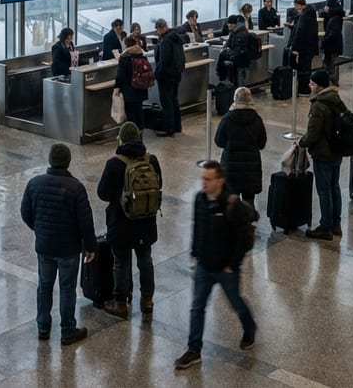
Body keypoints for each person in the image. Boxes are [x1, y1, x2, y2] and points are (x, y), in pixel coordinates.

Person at [174, 160, 257, 370]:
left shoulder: (232, 204)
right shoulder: (200, 199)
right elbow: (198, 226)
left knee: (235, 303)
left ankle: (250, 328)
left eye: (208, 179)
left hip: (225, 269)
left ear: (220, 180)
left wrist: (232, 263)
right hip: (204, 265)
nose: (204, 183)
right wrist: (194, 252)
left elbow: (245, 238)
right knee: (197, 307)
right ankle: (194, 350)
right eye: (202, 178)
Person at [20, 144, 97, 345]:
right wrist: (90, 247)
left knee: (44, 286)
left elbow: (25, 213)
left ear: (50, 160)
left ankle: (43, 326)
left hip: (44, 246)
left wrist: (40, 229)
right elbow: (85, 222)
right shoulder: (76, 188)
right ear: (68, 162)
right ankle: (67, 331)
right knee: (67, 288)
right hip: (68, 249)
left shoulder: (34, 183)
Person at [96, 122, 162, 319]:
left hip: (121, 222)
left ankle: (121, 303)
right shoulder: (152, 160)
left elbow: (102, 193)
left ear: (121, 139)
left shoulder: (114, 163)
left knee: (121, 262)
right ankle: (147, 300)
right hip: (146, 222)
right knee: (145, 260)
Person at [300, 69, 345, 240]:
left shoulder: (319, 105)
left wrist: (302, 143)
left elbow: (313, 133)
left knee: (324, 190)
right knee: (335, 187)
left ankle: (325, 226)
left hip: (323, 153)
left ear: (319, 86)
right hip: (336, 150)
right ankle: (336, 224)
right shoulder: (336, 99)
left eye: (312, 83)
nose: (309, 85)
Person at [214, 87, 267, 209]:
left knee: (231, 201)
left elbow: (219, 141)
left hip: (231, 166)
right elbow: (262, 143)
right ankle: (249, 224)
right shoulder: (256, 119)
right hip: (251, 167)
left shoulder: (227, 119)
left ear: (234, 99)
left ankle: (233, 225)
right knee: (249, 200)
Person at [153, 19, 186, 137]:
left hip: (166, 76)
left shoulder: (165, 41)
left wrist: (156, 74)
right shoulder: (176, 39)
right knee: (174, 100)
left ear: (160, 28)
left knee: (166, 102)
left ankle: (169, 128)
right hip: (176, 74)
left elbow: (163, 60)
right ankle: (177, 126)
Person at [113, 35, 148, 129]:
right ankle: (140, 133)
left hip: (129, 89)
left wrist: (117, 88)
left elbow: (120, 76)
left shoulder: (124, 59)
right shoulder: (142, 56)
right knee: (139, 110)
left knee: (130, 113)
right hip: (141, 88)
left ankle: (132, 133)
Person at [289, 0, 319, 94]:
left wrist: (294, 47)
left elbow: (300, 32)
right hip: (311, 46)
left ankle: (303, 90)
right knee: (307, 68)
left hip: (304, 47)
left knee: (303, 68)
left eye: (296, 6)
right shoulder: (312, 14)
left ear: (299, 5)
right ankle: (307, 89)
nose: (296, 9)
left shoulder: (304, 16)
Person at [321, 0, 345, 84]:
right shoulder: (332, 3)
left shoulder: (333, 2)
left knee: (329, 59)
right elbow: (341, 12)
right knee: (332, 60)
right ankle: (333, 78)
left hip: (331, 39)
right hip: (333, 40)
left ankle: (331, 77)